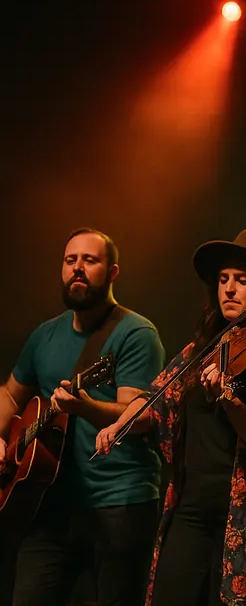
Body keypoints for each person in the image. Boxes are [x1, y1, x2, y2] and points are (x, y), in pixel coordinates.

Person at [95, 229, 246, 606]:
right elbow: (156, 399)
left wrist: (230, 401)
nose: (228, 288)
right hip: (190, 507)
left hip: (244, 514)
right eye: (224, 279)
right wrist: (120, 424)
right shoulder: (202, 348)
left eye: (242, 281)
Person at [0, 228, 164, 606]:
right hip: (50, 504)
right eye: (70, 260)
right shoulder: (45, 335)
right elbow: (11, 393)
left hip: (119, 504)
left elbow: (139, 416)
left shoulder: (135, 333)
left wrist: (84, 407)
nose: (77, 268)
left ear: (112, 273)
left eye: (89, 261)